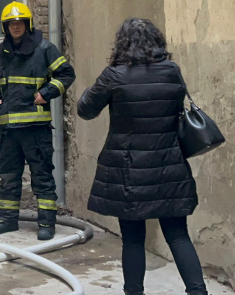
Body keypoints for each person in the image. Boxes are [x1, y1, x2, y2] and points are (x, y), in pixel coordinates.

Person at [76, 18, 207, 295]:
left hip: (129, 172)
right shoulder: (172, 71)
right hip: (169, 166)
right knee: (178, 235)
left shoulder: (114, 75)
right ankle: (198, 292)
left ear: (122, 44)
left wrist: (93, 89)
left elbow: (85, 110)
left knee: (133, 239)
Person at [0, 2, 75, 241]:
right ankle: (6, 220)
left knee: (42, 176)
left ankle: (46, 223)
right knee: (8, 176)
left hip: (35, 128)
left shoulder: (44, 49)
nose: (16, 27)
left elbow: (66, 74)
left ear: (28, 24)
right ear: (5, 27)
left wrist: (46, 93)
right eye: (11, 23)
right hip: (7, 129)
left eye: (20, 22)